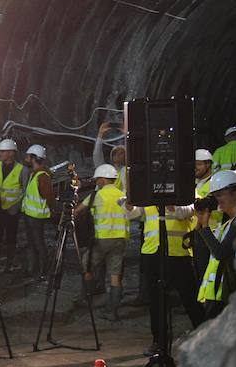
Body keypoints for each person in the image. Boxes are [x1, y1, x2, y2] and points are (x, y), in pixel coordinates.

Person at [126, 199, 204, 355]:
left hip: (177, 252)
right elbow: (135, 214)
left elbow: (186, 212)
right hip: (152, 252)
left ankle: (207, 338)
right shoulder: (149, 195)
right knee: (156, 300)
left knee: (190, 298)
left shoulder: (187, 193)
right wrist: (129, 206)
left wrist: (172, 205)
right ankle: (159, 342)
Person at [73, 165, 127, 321]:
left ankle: (86, 299)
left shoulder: (98, 195)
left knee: (87, 266)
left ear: (103, 180)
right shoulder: (122, 195)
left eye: (98, 180)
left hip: (101, 239)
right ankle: (112, 312)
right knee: (115, 276)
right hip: (120, 239)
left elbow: (78, 210)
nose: (97, 183)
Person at [195, 169, 236, 319]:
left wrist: (205, 229)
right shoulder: (229, 224)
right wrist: (201, 225)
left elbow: (221, 253)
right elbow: (207, 253)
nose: (217, 200)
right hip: (221, 295)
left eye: (220, 195)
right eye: (215, 196)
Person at [0, 139, 25, 273]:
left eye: (3, 151)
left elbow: (25, 191)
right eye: (0, 151)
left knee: (11, 238)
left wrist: (17, 206)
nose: (0, 153)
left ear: (11, 153)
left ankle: (9, 264)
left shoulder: (22, 170)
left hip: (12, 210)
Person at [20, 144, 54, 282]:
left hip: (36, 217)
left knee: (38, 243)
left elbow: (49, 198)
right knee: (32, 243)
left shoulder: (42, 176)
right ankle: (32, 270)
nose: (26, 158)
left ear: (33, 158)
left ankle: (43, 271)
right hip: (30, 215)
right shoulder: (34, 174)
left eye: (28, 156)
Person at [193, 148, 222, 282]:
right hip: (198, 233)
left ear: (208, 164)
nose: (195, 167)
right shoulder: (196, 184)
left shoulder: (215, 183)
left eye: (199, 164)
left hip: (211, 233)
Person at [93, 122, 128, 193]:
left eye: (121, 153)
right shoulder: (105, 170)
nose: (117, 154)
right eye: (115, 153)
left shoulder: (126, 171)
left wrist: (127, 134)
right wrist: (100, 135)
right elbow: (97, 155)